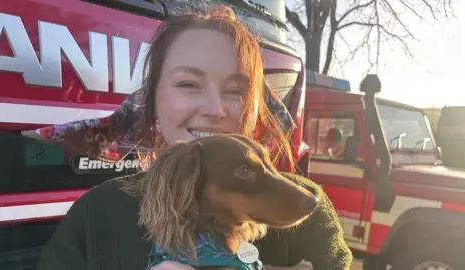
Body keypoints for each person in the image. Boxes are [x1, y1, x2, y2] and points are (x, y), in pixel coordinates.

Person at [31, 5, 353, 270]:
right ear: (152, 99)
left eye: (236, 90)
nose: (215, 109)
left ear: (258, 105)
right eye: (188, 84)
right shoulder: (97, 213)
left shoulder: (305, 210)